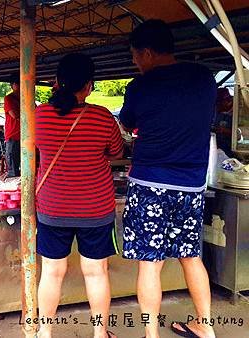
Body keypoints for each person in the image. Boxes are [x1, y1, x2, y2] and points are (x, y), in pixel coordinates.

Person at [118, 20, 217, 338]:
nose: (135, 62)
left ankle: (151, 334)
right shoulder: (204, 79)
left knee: (150, 262)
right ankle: (205, 327)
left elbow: (128, 123)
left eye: (135, 56)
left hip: (150, 185)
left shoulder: (140, 86)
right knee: (191, 256)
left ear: (146, 52)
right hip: (191, 186)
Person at [35, 53, 122, 338]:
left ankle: (44, 334)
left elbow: (32, 152)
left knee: (51, 272)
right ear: (89, 85)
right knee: (96, 272)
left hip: (52, 206)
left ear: (57, 82)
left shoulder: (40, 115)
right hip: (95, 208)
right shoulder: (102, 117)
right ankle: (100, 334)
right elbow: (117, 152)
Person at [4, 76, 20, 176]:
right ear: (12, 85)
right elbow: (14, 115)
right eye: (17, 83)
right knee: (13, 167)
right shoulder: (9, 98)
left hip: (24, 135)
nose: (19, 85)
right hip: (13, 135)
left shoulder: (26, 97)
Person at [212, 87, 234, 157]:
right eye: (225, 99)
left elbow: (241, 136)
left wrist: (226, 131)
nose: (229, 100)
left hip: (230, 151)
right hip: (217, 150)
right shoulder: (215, 113)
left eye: (229, 98)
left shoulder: (236, 113)